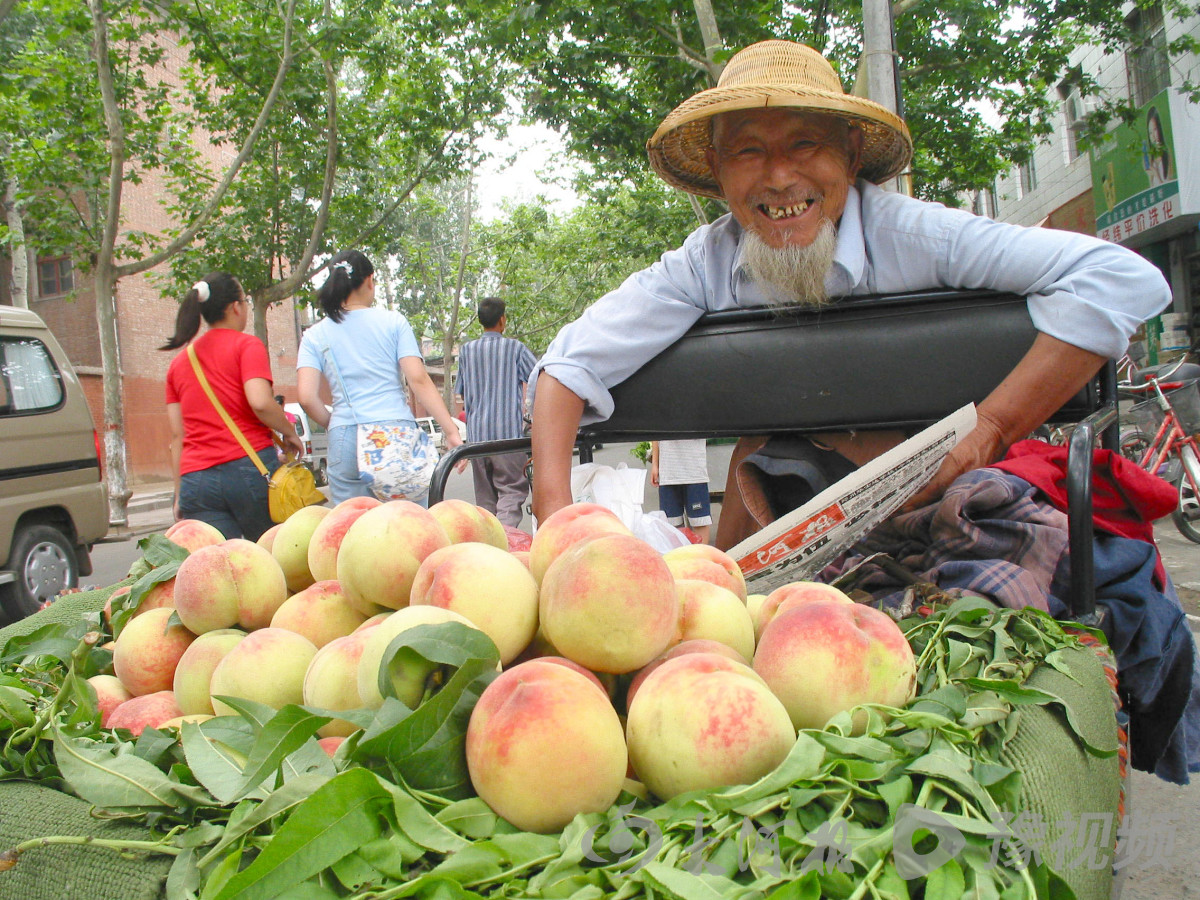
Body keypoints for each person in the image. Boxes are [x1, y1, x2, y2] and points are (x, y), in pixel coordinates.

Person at [529, 39, 1171, 548]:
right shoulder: (706, 261)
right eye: (749, 152)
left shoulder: (918, 234)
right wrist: (556, 520)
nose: (780, 178)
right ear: (720, 175)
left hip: (938, 506)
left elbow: (1121, 277)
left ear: (850, 152)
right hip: (777, 521)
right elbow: (567, 367)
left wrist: (992, 429)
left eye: (804, 143)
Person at [296, 249, 464, 505]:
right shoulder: (393, 322)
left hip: (345, 438)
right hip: (393, 434)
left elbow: (307, 397)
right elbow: (418, 380)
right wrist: (451, 431)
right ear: (370, 281)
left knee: (352, 530)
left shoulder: (315, 335)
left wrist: (336, 423)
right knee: (409, 526)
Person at [161, 272, 304, 541]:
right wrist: (289, 431)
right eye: (246, 301)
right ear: (235, 307)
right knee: (269, 557)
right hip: (248, 470)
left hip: (196, 481)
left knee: (219, 568)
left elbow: (177, 436)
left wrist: (179, 494)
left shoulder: (179, 363)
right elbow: (260, 402)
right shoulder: (247, 345)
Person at [455, 297, 538, 527]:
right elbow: (539, 376)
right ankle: (505, 544)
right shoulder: (514, 348)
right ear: (502, 320)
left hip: (477, 441)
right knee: (511, 492)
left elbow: (461, 393)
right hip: (507, 438)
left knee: (485, 502)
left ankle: (489, 546)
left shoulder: (466, 352)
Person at [650, 439, 712, 544]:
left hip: (695, 472)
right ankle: (679, 558)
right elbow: (655, 432)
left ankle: (702, 558)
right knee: (671, 524)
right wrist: (655, 464)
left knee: (700, 521)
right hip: (668, 472)